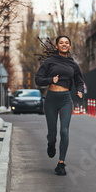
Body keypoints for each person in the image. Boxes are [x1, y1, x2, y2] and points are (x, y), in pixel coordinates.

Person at [35, 35, 84, 175]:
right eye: (61, 43)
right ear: (57, 46)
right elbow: (38, 79)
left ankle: (61, 163)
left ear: (69, 46)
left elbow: (79, 81)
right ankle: (51, 143)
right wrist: (51, 79)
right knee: (52, 133)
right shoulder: (49, 62)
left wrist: (80, 91)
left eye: (66, 43)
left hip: (65, 100)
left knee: (64, 131)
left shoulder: (73, 64)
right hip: (51, 99)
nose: (64, 44)